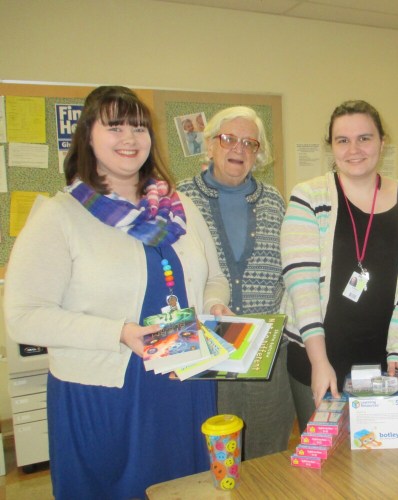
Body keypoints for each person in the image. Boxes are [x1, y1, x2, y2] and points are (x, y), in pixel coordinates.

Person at [3, 86, 231, 499]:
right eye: (115, 126)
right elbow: (23, 316)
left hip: (184, 382)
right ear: (88, 136)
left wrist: (215, 304)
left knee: (188, 486)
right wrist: (118, 331)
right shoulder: (61, 216)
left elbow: (214, 277)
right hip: (108, 392)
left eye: (139, 127)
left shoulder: (178, 207)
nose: (130, 138)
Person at [281, 99, 398, 426]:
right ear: (331, 147)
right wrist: (319, 362)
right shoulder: (308, 197)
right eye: (343, 140)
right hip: (319, 358)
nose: (355, 149)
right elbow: (301, 286)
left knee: (378, 465)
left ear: (382, 141)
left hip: (383, 364)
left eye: (365, 138)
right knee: (326, 466)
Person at [177, 106, 295, 459]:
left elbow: (290, 272)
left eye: (249, 143)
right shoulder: (179, 200)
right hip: (204, 347)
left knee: (266, 452)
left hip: (265, 349)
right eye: (228, 139)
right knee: (209, 452)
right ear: (209, 145)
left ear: (258, 154)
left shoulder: (275, 201)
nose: (238, 149)